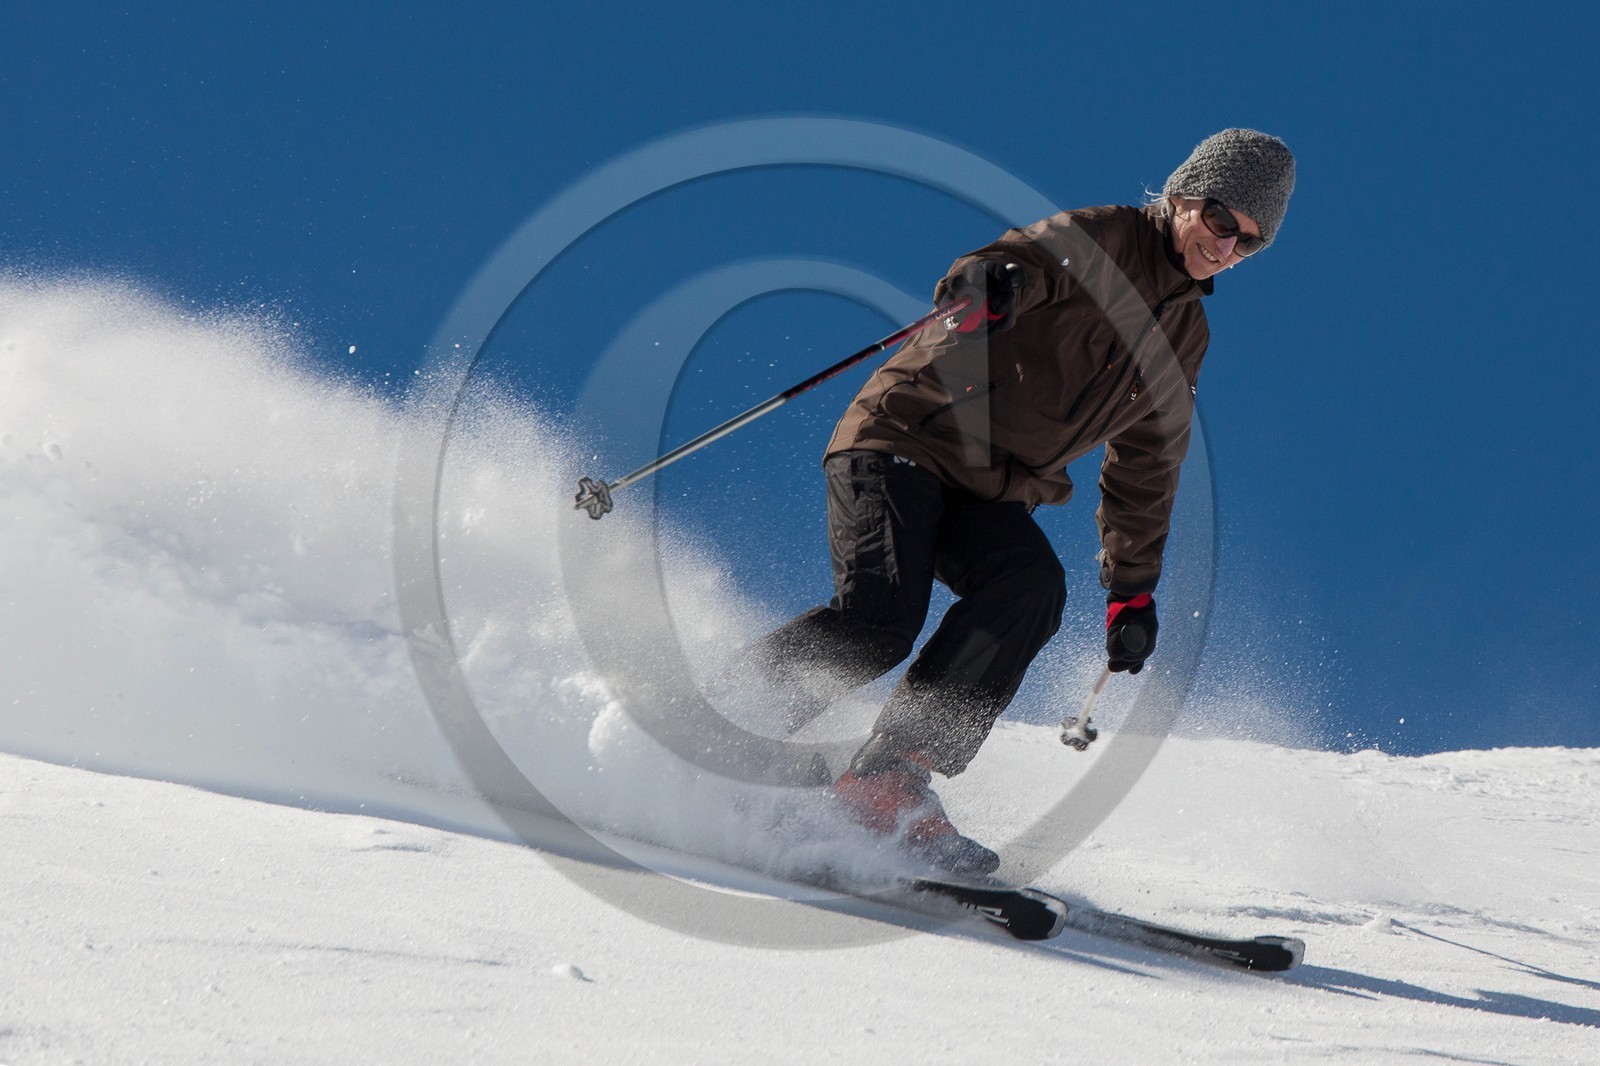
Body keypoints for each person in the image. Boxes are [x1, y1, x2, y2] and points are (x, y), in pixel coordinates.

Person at [744, 129, 1296, 875]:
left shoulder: (1185, 334)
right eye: (1223, 222)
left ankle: (887, 778)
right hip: (909, 433)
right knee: (880, 619)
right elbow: (1026, 259)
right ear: (1183, 197)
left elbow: (1148, 462)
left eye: (1250, 243)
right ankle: (716, 723)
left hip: (990, 486)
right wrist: (989, 286)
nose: (1227, 247)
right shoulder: (1102, 235)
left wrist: (1132, 590)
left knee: (1029, 587)